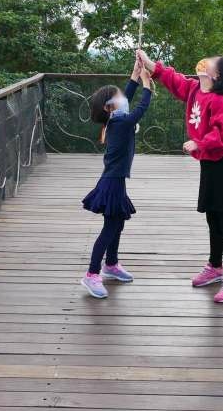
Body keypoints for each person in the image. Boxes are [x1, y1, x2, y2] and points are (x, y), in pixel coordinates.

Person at [137, 49, 223, 303]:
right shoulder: (196, 90)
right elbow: (175, 81)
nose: (205, 61)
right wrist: (150, 64)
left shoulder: (222, 102)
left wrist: (199, 143)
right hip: (210, 166)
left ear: (217, 75)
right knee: (213, 219)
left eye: (211, 62)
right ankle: (215, 267)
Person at [80, 59, 154, 298]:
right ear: (110, 107)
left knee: (118, 222)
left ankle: (110, 265)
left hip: (114, 180)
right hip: (112, 182)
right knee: (111, 226)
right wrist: (146, 84)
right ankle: (92, 274)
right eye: (119, 97)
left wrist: (134, 75)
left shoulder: (116, 120)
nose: (123, 97)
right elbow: (140, 109)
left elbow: (128, 101)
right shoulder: (122, 122)